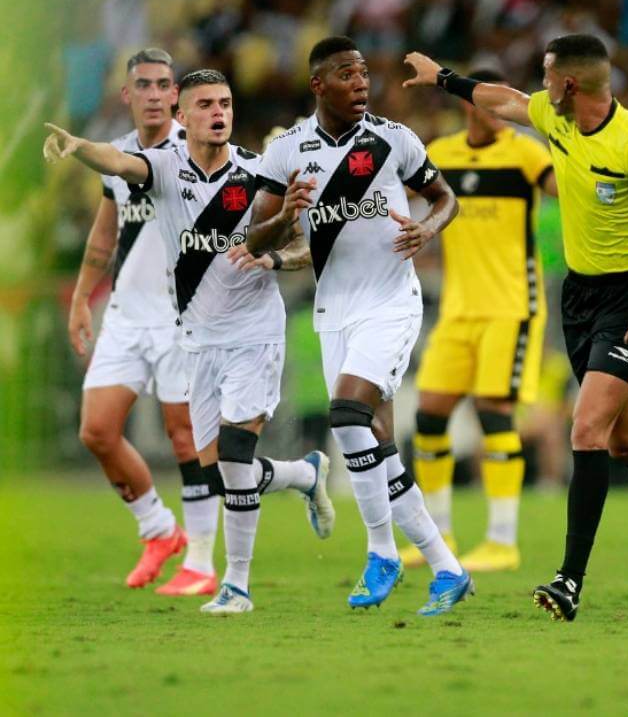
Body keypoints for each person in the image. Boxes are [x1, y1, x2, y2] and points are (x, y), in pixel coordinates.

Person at [404, 34, 628, 622]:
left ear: (570, 82)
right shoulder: (554, 114)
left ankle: (569, 580)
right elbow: (502, 101)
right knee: (627, 443)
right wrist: (443, 76)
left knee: (586, 429)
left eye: (547, 73)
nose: (540, 83)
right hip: (581, 296)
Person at [44, 69, 334, 615]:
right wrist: (78, 146)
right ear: (184, 117)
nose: (219, 112)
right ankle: (302, 473)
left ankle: (237, 585)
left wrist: (274, 252)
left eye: (225, 103)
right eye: (206, 104)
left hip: (254, 332)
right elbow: (118, 162)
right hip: (198, 336)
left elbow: (300, 248)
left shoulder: (257, 173)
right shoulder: (164, 168)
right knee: (220, 472)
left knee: (235, 453)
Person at [248, 36, 472, 617]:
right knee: (379, 448)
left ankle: (382, 552)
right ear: (318, 84)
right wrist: (284, 218)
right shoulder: (286, 151)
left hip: (392, 301)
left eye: (364, 73)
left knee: (347, 416)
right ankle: (447, 568)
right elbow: (253, 239)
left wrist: (428, 228)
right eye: (346, 74)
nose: (361, 82)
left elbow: (446, 199)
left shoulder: (394, 139)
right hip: (335, 312)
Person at [66, 48, 218, 594]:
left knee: (186, 438)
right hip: (128, 315)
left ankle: (201, 561)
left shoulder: (197, 149)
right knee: (97, 431)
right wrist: (83, 297)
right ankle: (158, 529)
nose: (154, 94)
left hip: (181, 316)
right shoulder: (120, 156)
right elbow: (107, 232)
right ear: (126, 95)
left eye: (163, 85)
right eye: (143, 85)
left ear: (176, 94)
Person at [405, 68, 556, 573]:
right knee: (429, 415)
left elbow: (566, 189)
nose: (496, 114)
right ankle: (438, 536)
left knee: (495, 412)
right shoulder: (441, 154)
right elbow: (398, 195)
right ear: (468, 106)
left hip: (512, 306)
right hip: (458, 309)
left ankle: (502, 540)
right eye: (487, 105)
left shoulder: (526, 153)